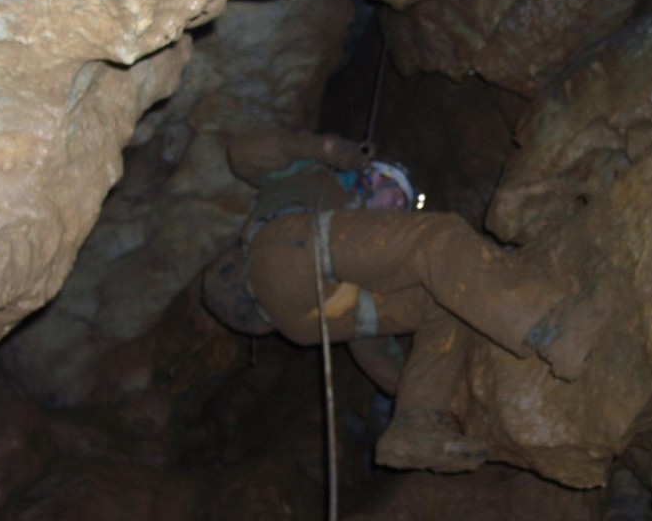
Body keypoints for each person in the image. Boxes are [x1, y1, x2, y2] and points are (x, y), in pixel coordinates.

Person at [202, 127, 565, 472]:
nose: (390, 199)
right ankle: (546, 325)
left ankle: (418, 429)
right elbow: (242, 153)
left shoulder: (375, 260)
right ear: (366, 176)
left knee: (446, 303)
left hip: (311, 320)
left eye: (400, 200)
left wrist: (445, 402)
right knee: (441, 236)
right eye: (385, 182)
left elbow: (372, 349)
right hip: (284, 254)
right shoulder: (315, 178)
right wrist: (325, 149)